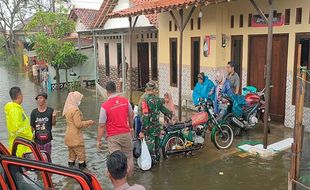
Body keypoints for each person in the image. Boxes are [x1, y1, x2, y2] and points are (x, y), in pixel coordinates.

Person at [97, 81, 134, 174]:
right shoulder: (125, 101)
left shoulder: (104, 106)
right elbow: (131, 115)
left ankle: (118, 183)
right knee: (128, 157)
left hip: (113, 137)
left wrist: (99, 140)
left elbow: (101, 125)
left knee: (116, 160)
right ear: (116, 89)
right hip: (126, 134)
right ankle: (129, 178)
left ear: (106, 91)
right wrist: (131, 128)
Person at [138, 81, 172, 165]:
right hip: (157, 128)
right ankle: (157, 166)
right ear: (153, 89)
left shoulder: (144, 100)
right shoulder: (157, 99)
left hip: (149, 130)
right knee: (157, 150)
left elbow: (145, 117)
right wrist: (172, 116)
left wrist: (142, 131)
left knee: (150, 151)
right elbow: (165, 111)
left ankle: (151, 168)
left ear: (146, 89)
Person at [63, 91, 95, 169]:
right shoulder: (75, 110)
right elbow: (78, 124)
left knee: (71, 157)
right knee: (81, 157)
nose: (80, 101)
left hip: (68, 137)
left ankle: (70, 176)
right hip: (76, 137)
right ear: (76, 99)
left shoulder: (67, 109)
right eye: (79, 99)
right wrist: (89, 122)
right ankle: (83, 175)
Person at [4, 87, 33, 157]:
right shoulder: (14, 110)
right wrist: (29, 133)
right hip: (21, 148)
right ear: (19, 95)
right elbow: (16, 129)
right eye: (22, 94)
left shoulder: (16, 108)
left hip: (23, 145)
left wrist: (29, 129)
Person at [30, 93, 57, 160]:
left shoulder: (50, 110)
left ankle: (48, 169)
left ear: (45, 100)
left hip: (47, 140)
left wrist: (54, 116)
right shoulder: (34, 112)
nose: (39, 100)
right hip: (37, 140)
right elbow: (32, 127)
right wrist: (31, 137)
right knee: (38, 158)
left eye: (41, 98)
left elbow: (53, 124)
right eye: (38, 98)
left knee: (47, 158)